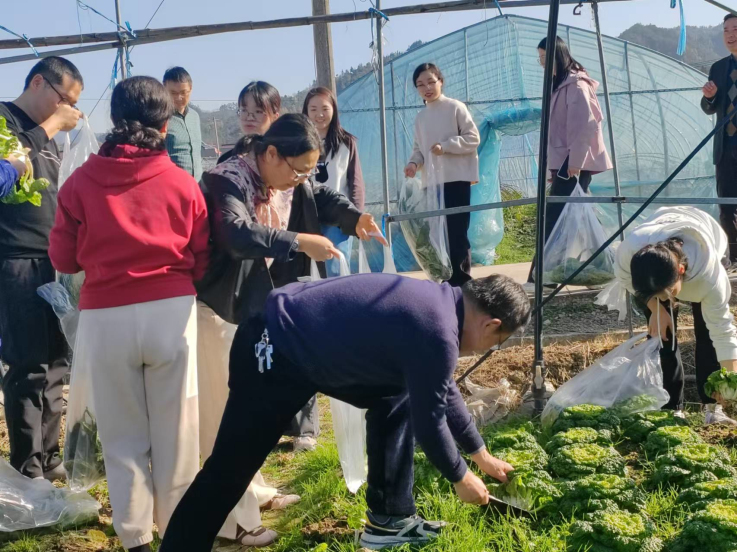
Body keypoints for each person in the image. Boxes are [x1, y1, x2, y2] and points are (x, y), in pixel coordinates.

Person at [161, 273, 528, 552]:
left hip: (302, 347)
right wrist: (460, 477)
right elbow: (430, 421)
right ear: (491, 325)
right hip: (273, 347)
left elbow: (441, 388)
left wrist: (480, 455)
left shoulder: (441, 305)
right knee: (229, 471)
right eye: (495, 343)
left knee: (396, 393)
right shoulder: (438, 329)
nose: (486, 349)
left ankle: (389, 520)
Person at [194, 113, 385, 546]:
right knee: (222, 415)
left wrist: (355, 218)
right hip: (217, 309)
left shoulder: (284, 178)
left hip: (249, 306)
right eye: (296, 170)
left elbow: (320, 194)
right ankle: (233, 521)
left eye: (306, 171)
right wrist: (298, 241)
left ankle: (255, 492)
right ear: (271, 153)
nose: (300, 180)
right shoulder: (226, 179)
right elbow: (235, 234)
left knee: (245, 404)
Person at [49, 76, 210, 552]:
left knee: (121, 435)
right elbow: (203, 258)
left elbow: (63, 260)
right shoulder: (183, 183)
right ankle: (178, 531)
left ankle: (135, 536)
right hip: (171, 313)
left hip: (106, 315)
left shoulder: (79, 183)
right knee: (177, 433)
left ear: (114, 119)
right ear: (166, 125)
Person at [0, 56, 83, 481]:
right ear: (38, 83)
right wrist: (51, 126)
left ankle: (49, 457)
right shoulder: (5, 121)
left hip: (54, 262)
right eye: (64, 98)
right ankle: (27, 466)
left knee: (56, 362)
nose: (67, 109)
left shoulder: (51, 137)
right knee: (27, 365)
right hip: (16, 259)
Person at [604, 206, 737, 425]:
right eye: (656, 295)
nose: (665, 299)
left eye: (668, 294)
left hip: (707, 241)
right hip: (659, 257)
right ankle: (672, 407)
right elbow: (627, 280)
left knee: (707, 334)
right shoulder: (630, 253)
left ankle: (714, 409)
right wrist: (656, 307)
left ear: (681, 272)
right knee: (662, 336)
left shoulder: (710, 278)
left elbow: (722, 332)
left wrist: (730, 380)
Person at [526, 37, 613, 288]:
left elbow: (585, 125)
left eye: (546, 58)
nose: (543, 64)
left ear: (559, 55)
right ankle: (603, 267)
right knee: (580, 214)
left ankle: (541, 276)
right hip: (565, 161)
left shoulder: (576, 85)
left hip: (572, 162)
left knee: (555, 216)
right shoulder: (561, 85)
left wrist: (574, 162)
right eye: (540, 59)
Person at [404, 63, 480, 287]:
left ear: (441, 82)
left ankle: (462, 283)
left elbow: (473, 138)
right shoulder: (421, 117)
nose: (426, 88)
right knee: (437, 233)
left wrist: (446, 146)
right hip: (432, 183)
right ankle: (445, 280)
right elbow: (419, 149)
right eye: (420, 85)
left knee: (457, 231)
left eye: (431, 82)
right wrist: (413, 163)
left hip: (456, 179)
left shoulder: (455, 107)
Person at [303, 86, 365, 276]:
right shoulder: (298, 143)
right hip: (307, 218)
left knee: (335, 270)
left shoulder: (346, 142)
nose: (319, 115)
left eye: (325, 109)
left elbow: (355, 182)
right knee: (310, 273)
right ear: (306, 112)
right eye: (313, 109)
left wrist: (356, 216)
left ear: (334, 110)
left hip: (338, 219)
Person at [701, 14, 737, 266]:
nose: (730, 34)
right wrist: (709, 97)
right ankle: (734, 258)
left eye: (735, 28)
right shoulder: (718, 68)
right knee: (727, 206)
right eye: (726, 30)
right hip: (725, 146)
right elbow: (709, 108)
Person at [218, 81, 281, 164]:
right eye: (244, 110)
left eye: (258, 111)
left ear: (275, 117)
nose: (250, 118)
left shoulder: (284, 158)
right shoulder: (226, 161)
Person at [163, 66, 203, 182]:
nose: (179, 97)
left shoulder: (194, 117)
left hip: (197, 185)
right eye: (173, 93)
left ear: (191, 89)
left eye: (183, 92)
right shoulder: (160, 118)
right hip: (173, 184)